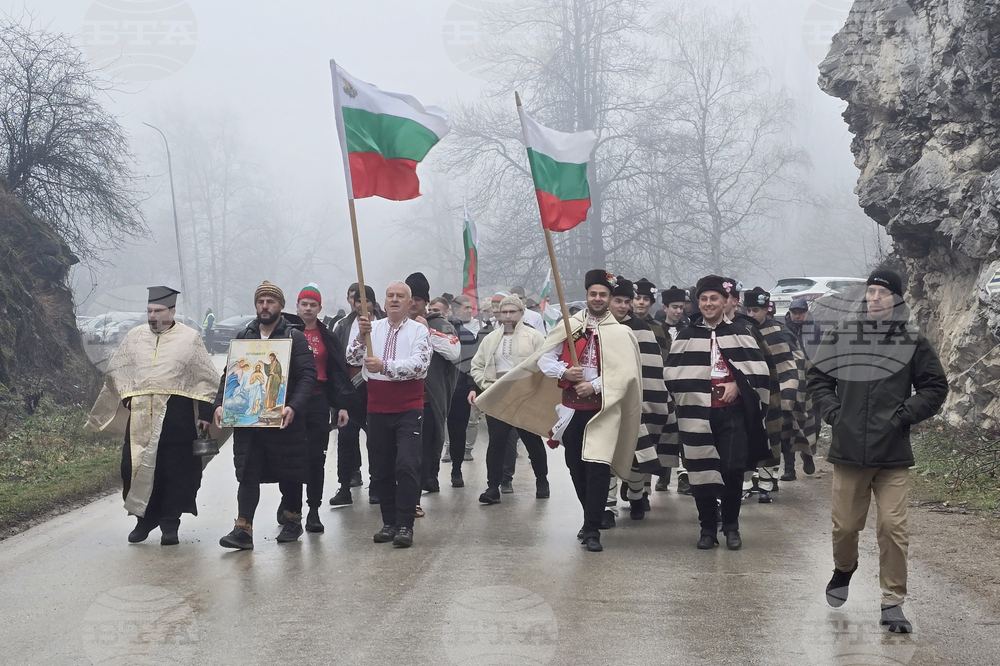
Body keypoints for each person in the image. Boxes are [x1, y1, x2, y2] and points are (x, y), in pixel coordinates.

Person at [808, 269, 948, 634]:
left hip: (892, 453)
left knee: (892, 528)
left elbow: (934, 386)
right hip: (849, 451)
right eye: (870, 292)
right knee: (845, 527)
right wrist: (835, 413)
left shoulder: (913, 341)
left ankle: (892, 603)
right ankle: (844, 568)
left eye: (882, 293)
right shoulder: (843, 336)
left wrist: (904, 416)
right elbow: (819, 378)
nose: (874, 298)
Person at [477, 270, 644, 553]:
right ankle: (588, 516)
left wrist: (595, 386)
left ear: (610, 298)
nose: (598, 298)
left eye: (603, 294)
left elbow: (626, 373)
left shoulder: (621, 332)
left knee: (598, 466)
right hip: (571, 409)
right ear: (588, 296)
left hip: (603, 409)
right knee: (576, 466)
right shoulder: (571, 325)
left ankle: (592, 529)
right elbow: (544, 358)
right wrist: (566, 370)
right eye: (594, 294)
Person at [87, 286, 219, 546]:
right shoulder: (134, 336)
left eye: (158, 311)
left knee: (175, 471)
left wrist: (204, 413)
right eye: (149, 311)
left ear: (172, 311)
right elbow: (119, 370)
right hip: (140, 419)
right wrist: (126, 394)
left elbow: (205, 378)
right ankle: (144, 519)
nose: (152, 316)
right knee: (133, 468)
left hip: (177, 419)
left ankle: (170, 523)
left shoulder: (189, 338)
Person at [664, 275, 771, 551]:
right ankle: (707, 529)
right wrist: (694, 389)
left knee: (733, 469)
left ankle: (732, 526)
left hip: (731, 413)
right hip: (697, 415)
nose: (709, 303)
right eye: (704, 299)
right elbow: (672, 375)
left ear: (726, 302)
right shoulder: (686, 335)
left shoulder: (740, 332)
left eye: (714, 298)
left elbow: (759, 372)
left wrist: (738, 384)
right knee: (701, 471)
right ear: (697, 303)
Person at [215, 281, 318, 550]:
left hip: (283, 419)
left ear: (280, 307)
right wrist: (220, 405)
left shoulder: (294, 337)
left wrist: (293, 406)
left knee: (290, 471)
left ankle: (292, 519)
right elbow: (229, 376)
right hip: (250, 422)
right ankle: (243, 529)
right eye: (261, 301)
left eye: (270, 302)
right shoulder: (244, 337)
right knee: (248, 473)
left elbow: (308, 376)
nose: (265, 306)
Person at [347, 281, 431, 548]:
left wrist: (385, 366)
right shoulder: (372, 329)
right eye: (390, 296)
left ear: (409, 303)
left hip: (408, 407)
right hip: (377, 406)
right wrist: (361, 337)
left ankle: (406, 524)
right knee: (380, 467)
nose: (395, 300)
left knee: (406, 465)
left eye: (401, 296)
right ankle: (388, 521)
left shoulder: (419, 330)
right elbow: (351, 357)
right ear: (384, 302)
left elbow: (420, 365)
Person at [607, 277, 678, 521]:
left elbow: (651, 370)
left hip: (635, 402)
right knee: (605, 455)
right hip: (601, 402)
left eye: (627, 301)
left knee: (637, 454)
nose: (624, 306)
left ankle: (637, 495)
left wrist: (656, 405)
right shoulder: (592, 326)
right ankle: (607, 507)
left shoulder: (642, 330)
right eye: (618, 300)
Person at [469, 295, 549, 504]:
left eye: (512, 312)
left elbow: (546, 365)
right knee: (497, 442)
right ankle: (493, 487)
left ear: (521, 313)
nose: (507, 316)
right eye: (504, 312)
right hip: (498, 395)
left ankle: (542, 481)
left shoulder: (534, 337)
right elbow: (477, 365)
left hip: (525, 397)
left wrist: (532, 390)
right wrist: (487, 386)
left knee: (532, 440)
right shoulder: (490, 339)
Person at [743, 287, 818, 501]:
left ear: (766, 309)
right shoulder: (744, 330)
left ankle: (794, 464)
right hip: (758, 390)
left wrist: (790, 391)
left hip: (785, 387)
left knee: (788, 427)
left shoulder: (780, 331)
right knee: (763, 434)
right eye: (748, 310)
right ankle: (766, 478)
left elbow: (794, 362)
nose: (751, 314)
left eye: (755, 310)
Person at [294, 284, 352, 533]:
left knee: (316, 458)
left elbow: (338, 372)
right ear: (297, 307)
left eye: (313, 305)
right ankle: (290, 508)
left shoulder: (328, 336)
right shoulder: (286, 333)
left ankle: (314, 510)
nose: (308, 308)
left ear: (319, 308)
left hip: (318, 401)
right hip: (292, 403)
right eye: (304, 304)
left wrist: (341, 406)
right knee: (291, 458)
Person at [406, 274, 461, 507]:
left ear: (425, 302)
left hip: (428, 401)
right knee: (405, 456)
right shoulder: (393, 325)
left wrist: (426, 331)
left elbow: (454, 352)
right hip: (401, 401)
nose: (412, 303)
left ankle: (415, 499)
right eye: (409, 298)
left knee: (425, 453)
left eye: (417, 299)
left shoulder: (440, 325)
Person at [330, 283, 382, 506]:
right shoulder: (343, 326)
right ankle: (345, 486)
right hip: (349, 390)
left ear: (373, 302)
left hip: (375, 389)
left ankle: (377, 485)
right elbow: (338, 359)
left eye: (366, 300)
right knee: (346, 439)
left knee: (377, 441)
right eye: (357, 300)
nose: (361, 305)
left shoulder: (384, 323)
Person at [443, 295, 481, 483]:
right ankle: (431, 475)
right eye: (466, 308)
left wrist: (472, 387)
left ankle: (456, 469)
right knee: (434, 432)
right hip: (439, 389)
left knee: (458, 431)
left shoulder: (466, 334)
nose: (469, 311)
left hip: (459, 390)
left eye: (470, 308)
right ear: (455, 310)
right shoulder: (436, 331)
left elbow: (472, 363)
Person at [657, 285, 692, 493]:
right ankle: (663, 473)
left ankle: (683, 475)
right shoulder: (656, 329)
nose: (679, 311)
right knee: (665, 430)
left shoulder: (689, 330)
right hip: (661, 385)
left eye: (681, 307)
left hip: (683, 385)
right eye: (674, 307)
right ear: (665, 307)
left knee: (683, 431)